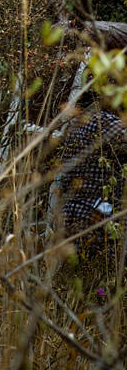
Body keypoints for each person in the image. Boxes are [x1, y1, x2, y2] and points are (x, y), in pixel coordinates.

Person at [57, 90, 127, 254]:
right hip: (100, 214)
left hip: (71, 212)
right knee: (107, 267)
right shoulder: (102, 121)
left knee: (78, 270)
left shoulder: (73, 127)